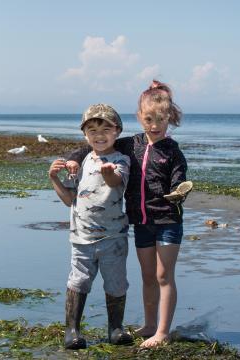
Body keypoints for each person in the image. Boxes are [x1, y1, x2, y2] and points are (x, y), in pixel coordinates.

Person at [66, 80, 188, 348]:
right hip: (141, 221)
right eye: (148, 119)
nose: (154, 125)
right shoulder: (130, 145)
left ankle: (163, 332)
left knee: (163, 276)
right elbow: (94, 145)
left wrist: (179, 193)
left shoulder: (173, 151)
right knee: (147, 276)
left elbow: (180, 181)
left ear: (170, 118)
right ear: (139, 118)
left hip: (167, 221)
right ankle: (149, 324)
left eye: (161, 119)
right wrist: (74, 157)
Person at [49, 103, 134, 350]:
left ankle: (115, 328)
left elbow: (116, 180)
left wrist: (107, 171)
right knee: (78, 281)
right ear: (85, 135)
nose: (99, 135)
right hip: (81, 237)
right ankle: (72, 330)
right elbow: (69, 199)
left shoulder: (121, 160)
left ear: (117, 131)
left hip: (113, 236)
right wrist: (54, 178)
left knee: (116, 282)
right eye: (92, 130)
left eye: (106, 129)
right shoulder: (81, 161)